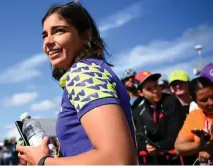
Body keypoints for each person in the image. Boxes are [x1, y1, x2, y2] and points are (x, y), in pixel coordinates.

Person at [16, 1, 137, 165]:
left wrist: (43, 162)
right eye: (45, 35)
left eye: (59, 31)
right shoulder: (87, 72)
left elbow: (116, 159)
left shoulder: (84, 73)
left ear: (86, 36)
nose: (48, 42)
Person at [132, 71, 186, 164]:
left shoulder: (171, 102)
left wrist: (155, 146)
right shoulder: (137, 111)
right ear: (140, 93)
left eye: (156, 85)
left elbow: (175, 136)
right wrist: (145, 147)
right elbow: (137, 140)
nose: (155, 90)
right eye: (149, 89)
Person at [175, 77, 213, 165]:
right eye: (204, 100)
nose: (211, 102)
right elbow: (178, 147)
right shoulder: (194, 116)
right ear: (195, 101)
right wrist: (200, 146)